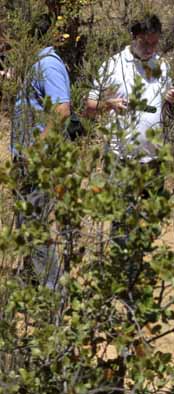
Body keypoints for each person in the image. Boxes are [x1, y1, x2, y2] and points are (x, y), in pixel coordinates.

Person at [11, 13, 72, 289]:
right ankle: (35, 285)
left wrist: (34, 151)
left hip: (36, 161)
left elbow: (62, 111)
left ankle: (53, 296)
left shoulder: (47, 65)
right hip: (25, 160)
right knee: (27, 227)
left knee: (36, 229)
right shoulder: (34, 64)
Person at [85, 13, 174, 163]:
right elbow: (90, 107)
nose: (150, 50)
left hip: (153, 159)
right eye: (145, 43)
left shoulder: (162, 66)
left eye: (154, 44)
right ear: (134, 37)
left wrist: (169, 98)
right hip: (119, 160)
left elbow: (165, 102)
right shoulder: (112, 65)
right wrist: (109, 105)